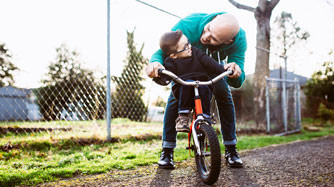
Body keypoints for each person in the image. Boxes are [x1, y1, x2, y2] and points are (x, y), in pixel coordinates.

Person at [146, 12, 247, 169]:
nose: (205, 37)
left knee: (223, 92)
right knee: (175, 97)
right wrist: (155, 64)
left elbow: (238, 81)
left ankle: (231, 150)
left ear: (228, 41)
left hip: (212, 67)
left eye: (214, 38)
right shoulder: (187, 26)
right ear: (212, 20)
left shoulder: (239, 40)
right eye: (207, 30)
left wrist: (234, 71)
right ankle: (167, 150)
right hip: (185, 71)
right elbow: (162, 51)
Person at [155, 30, 227, 133]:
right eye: (185, 47)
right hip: (183, 87)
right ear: (173, 55)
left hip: (201, 83)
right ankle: (183, 117)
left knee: (205, 88)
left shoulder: (196, 52)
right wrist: (159, 75)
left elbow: (210, 63)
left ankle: (206, 117)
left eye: (188, 43)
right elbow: (166, 76)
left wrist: (223, 69)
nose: (189, 47)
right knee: (187, 85)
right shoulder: (171, 62)